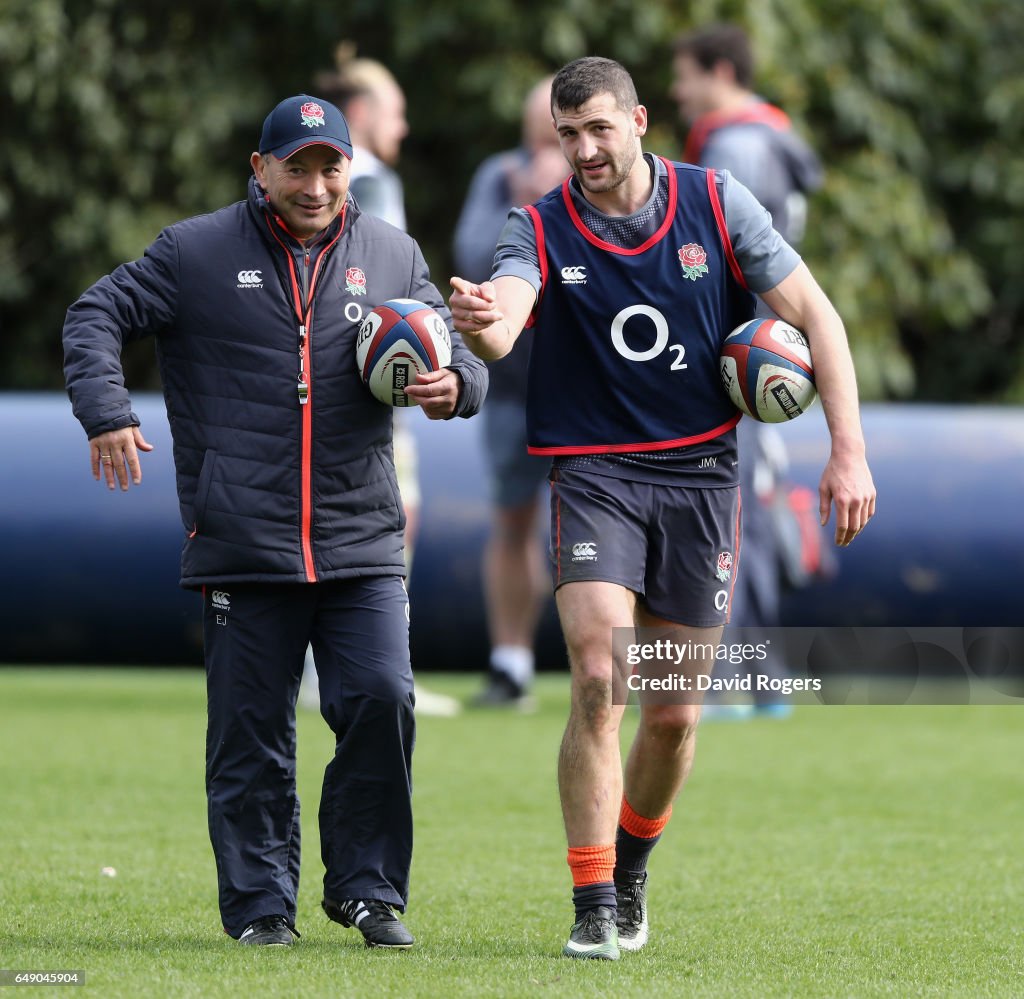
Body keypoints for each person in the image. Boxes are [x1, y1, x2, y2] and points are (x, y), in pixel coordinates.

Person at [449, 57, 874, 960]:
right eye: (567, 136)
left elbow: (818, 316)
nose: (584, 150)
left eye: (599, 128)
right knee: (600, 672)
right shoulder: (538, 224)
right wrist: (483, 320)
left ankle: (634, 862)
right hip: (596, 474)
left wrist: (848, 451)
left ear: (639, 120)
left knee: (675, 715)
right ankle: (593, 894)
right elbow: (506, 318)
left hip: (701, 479)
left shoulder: (716, 204)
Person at [63, 94, 488, 949]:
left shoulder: (393, 253)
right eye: (297, 165)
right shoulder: (194, 251)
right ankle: (261, 906)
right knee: (251, 734)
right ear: (260, 170)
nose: (317, 182)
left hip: (361, 536)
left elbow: (460, 356)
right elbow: (94, 314)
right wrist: (107, 411)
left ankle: (367, 890)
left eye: (331, 165)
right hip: (243, 538)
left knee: (382, 699)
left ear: (349, 170)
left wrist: (457, 387)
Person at [671, 22, 827, 718]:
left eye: (684, 75)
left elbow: (744, 257)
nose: (677, 91)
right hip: (767, 352)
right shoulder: (774, 135)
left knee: (737, 512)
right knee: (746, 505)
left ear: (718, 72)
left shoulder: (734, 145)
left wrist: (747, 345)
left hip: (746, 353)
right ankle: (758, 677)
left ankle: (739, 676)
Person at [306, 49, 461, 718]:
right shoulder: (367, 180)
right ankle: (362, 662)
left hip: (328, 375)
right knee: (393, 511)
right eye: (396, 114)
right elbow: (380, 288)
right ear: (365, 115)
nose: (402, 130)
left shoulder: (330, 179)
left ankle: (328, 665)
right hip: (368, 381)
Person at [452, 76, 567, 708]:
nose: (547, 144)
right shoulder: (498, 176)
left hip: (589, 389)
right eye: (541, 133)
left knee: (596, 526)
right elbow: (471, 258)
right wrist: (520, 207)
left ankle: (613, 669)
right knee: (512, 521)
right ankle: (510, 663)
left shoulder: (602, 184)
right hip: (511, 388)